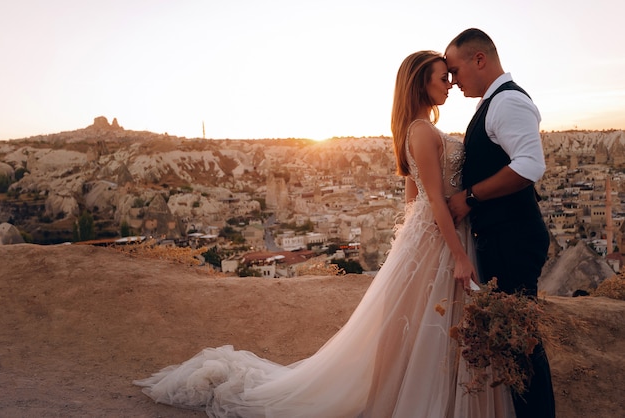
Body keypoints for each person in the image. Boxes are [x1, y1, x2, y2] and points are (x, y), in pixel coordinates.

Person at [134, 50, 514, 417]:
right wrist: (458, 255)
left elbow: (412, 197)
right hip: (442, 234)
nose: (449, 84)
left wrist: (413, 244)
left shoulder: (418, 129)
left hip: (432, 236)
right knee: (427, 325)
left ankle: (417, 397)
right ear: (420, 83)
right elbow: (431, 199)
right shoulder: (421, 131)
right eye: (442, 78)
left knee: (419, 326)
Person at [445, 28, 556, 418]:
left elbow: (529, 166)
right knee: (511, 340)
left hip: (513, 240)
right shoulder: (492, 102)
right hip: (503, 237)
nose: (453, 80)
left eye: (456, 70)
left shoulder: (507, 102)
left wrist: (470, 197)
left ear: (480, 59)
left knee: (521, 342)